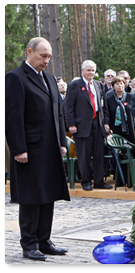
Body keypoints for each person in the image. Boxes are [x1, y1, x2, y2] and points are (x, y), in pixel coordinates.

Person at [5, 37, 70, 261]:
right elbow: (12, 117)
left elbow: (57, 114)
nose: (46, 60)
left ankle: (45, 240)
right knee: (31, 197)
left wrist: (62, 141)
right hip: (29, 150)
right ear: (29, 52)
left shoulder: (50, 79)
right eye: (43, 56)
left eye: (49, 56)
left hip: (50, 147)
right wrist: (18, 149)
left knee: (48, 194)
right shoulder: (15, 78)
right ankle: (29, 244)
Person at [65, 60, 112, 191]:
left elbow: (104, 106)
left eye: (93, 70)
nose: (91, 73)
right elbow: (69, 107)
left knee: (99, 153)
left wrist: (106, 122)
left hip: (98, 123)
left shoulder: (98, 85)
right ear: (82, 71)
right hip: (82, 125)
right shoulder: (74, 85)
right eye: (88, 70)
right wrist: (71, 124)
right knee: (84, 155)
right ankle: (86, 181)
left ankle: (99, 181)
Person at [106, 76, 135, 144]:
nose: (119, 85)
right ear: (113, 86)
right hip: (115, 128)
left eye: (121, 83)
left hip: (130, 128)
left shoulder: (131, 97)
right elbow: (107, 114)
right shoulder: (109, 99)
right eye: (117, 84)